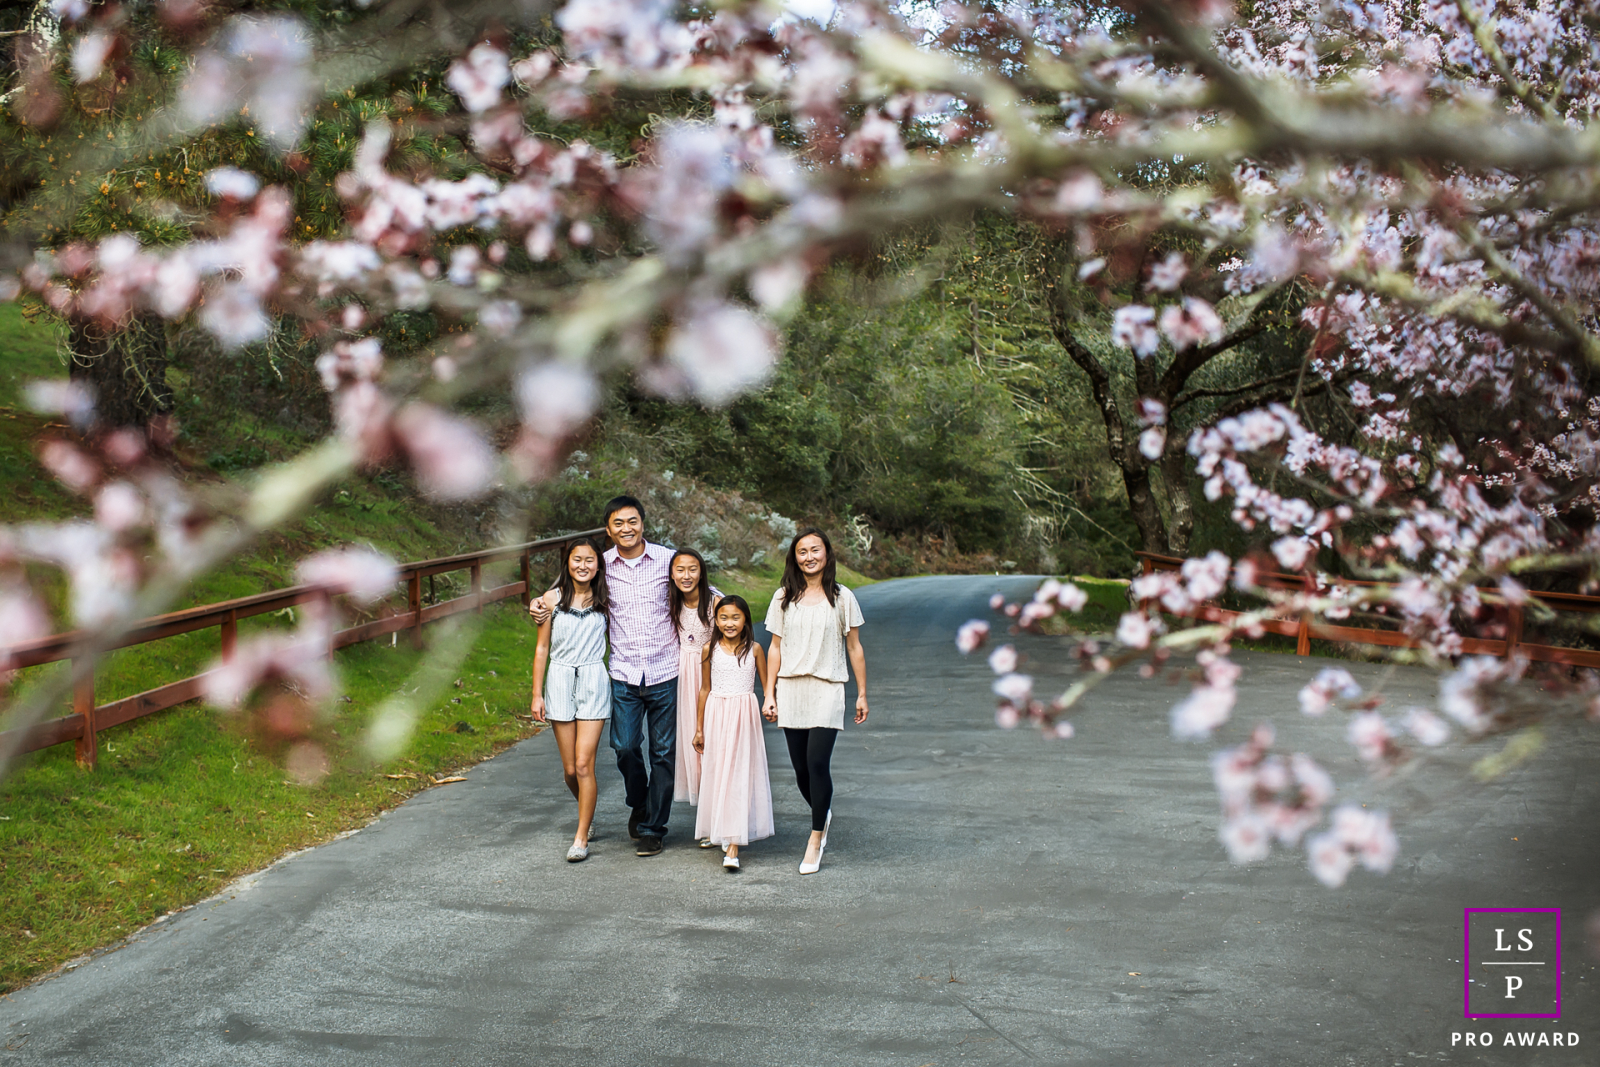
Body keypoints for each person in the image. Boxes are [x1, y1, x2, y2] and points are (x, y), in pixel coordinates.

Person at [531, 496, 679, 856]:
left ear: (643, 523)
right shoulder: (603, 566)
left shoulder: (667, 560)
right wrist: (539, 603)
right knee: (625, 747)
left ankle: (651, 827)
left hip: (664, 669)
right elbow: (558, 600)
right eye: (618, 523)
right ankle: (638, 800)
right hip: (624, 673)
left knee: (662, 753)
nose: (626, 529)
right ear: (608, 529)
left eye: (632, 521)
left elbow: (695, 587)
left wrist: (725, 610)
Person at [762, 528, 868, 875]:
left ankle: (815, 837)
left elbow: (854, 647)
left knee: (817, 762)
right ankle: (822, 809)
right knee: (800, 771)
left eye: (815, 550)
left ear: (827, 554)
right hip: (792, 689)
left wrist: (862, 694)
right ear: (795, 557)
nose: (809, 557)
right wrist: (769, 693)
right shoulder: (783, 597)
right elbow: (774, 648)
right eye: (802, 551)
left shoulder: (842, 597)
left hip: (827, 688)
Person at [528, 537, 611, 863]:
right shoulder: (551, 599)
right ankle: (586, 809)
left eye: (590, 560)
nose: (583, 566)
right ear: (568, 562)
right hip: (560, 680)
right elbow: (541, 649)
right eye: (577, 559)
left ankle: (581, 836)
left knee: (583, 764)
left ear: (597, 565)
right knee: (568, 771)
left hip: (593, 679)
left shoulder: (606, 598)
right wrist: (537, 694)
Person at [692, 596, 774, 870]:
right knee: (718, 773)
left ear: (745, 620)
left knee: (739, 773)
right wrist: (699, 728)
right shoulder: (708, 650)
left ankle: (733, 847)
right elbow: (704, 689)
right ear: (716, 620)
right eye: (723, 617)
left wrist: (770, 705)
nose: (729, 623)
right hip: (716, 714)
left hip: (743, 715)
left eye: (735, 617)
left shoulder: (755, 650)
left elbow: (766, 686)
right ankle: (723, 830)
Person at [668, 548, 720, 838]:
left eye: (692, 569)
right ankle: (706, 817)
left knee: (712, 742)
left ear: (701, 572)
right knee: (692, 747)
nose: (686, 576)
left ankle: (717, 819)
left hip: (708, 676)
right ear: (672, 574)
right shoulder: (671, 602)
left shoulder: (715, 602)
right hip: (681, 676)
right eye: (680, 570)